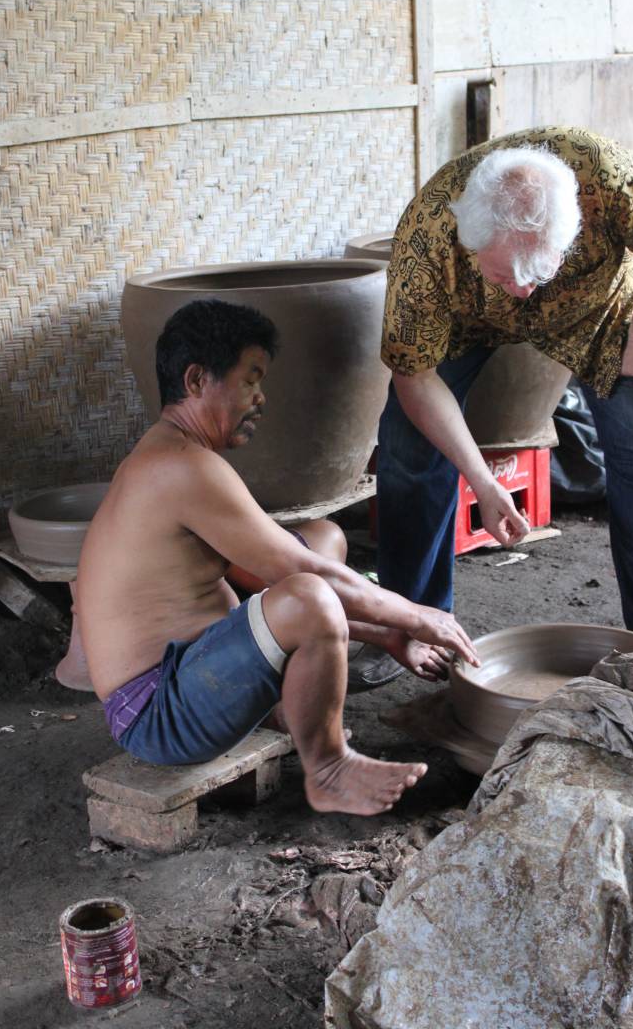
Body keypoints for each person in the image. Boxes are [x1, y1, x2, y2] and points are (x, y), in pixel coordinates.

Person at [76, 298, 480, 817]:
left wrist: (386, 633)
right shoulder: (181, 467)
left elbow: (263, 575)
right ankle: (328, 769)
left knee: (321, 537)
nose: (261, 397)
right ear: (197, 380)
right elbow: (301, 580)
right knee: (311, 591)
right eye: (250, 380)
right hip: (158, 715)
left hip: (189, 673)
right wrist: (420, 614)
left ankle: (285, 713)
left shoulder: (172, 455)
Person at [376, 126, 633, 650]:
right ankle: (413, 628)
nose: (525, 288)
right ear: (470, 241)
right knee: (406, 448)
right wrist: (480, 479)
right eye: (508, 272)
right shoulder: (428, 239)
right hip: (467, 318)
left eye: (539, 267)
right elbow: (415, 376)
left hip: (594, 307)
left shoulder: (608, 179)